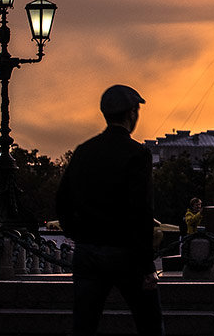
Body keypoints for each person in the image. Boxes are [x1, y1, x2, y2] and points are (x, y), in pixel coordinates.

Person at [56, 85, 163, 336]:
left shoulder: (84, 151)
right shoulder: (137, 154)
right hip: (127, 253)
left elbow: (62, 199)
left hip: (88, 251)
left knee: (84, 325)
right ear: (132, 114)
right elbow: (141, 211)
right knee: (149, 323)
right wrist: (148, 266)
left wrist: (77, 233)